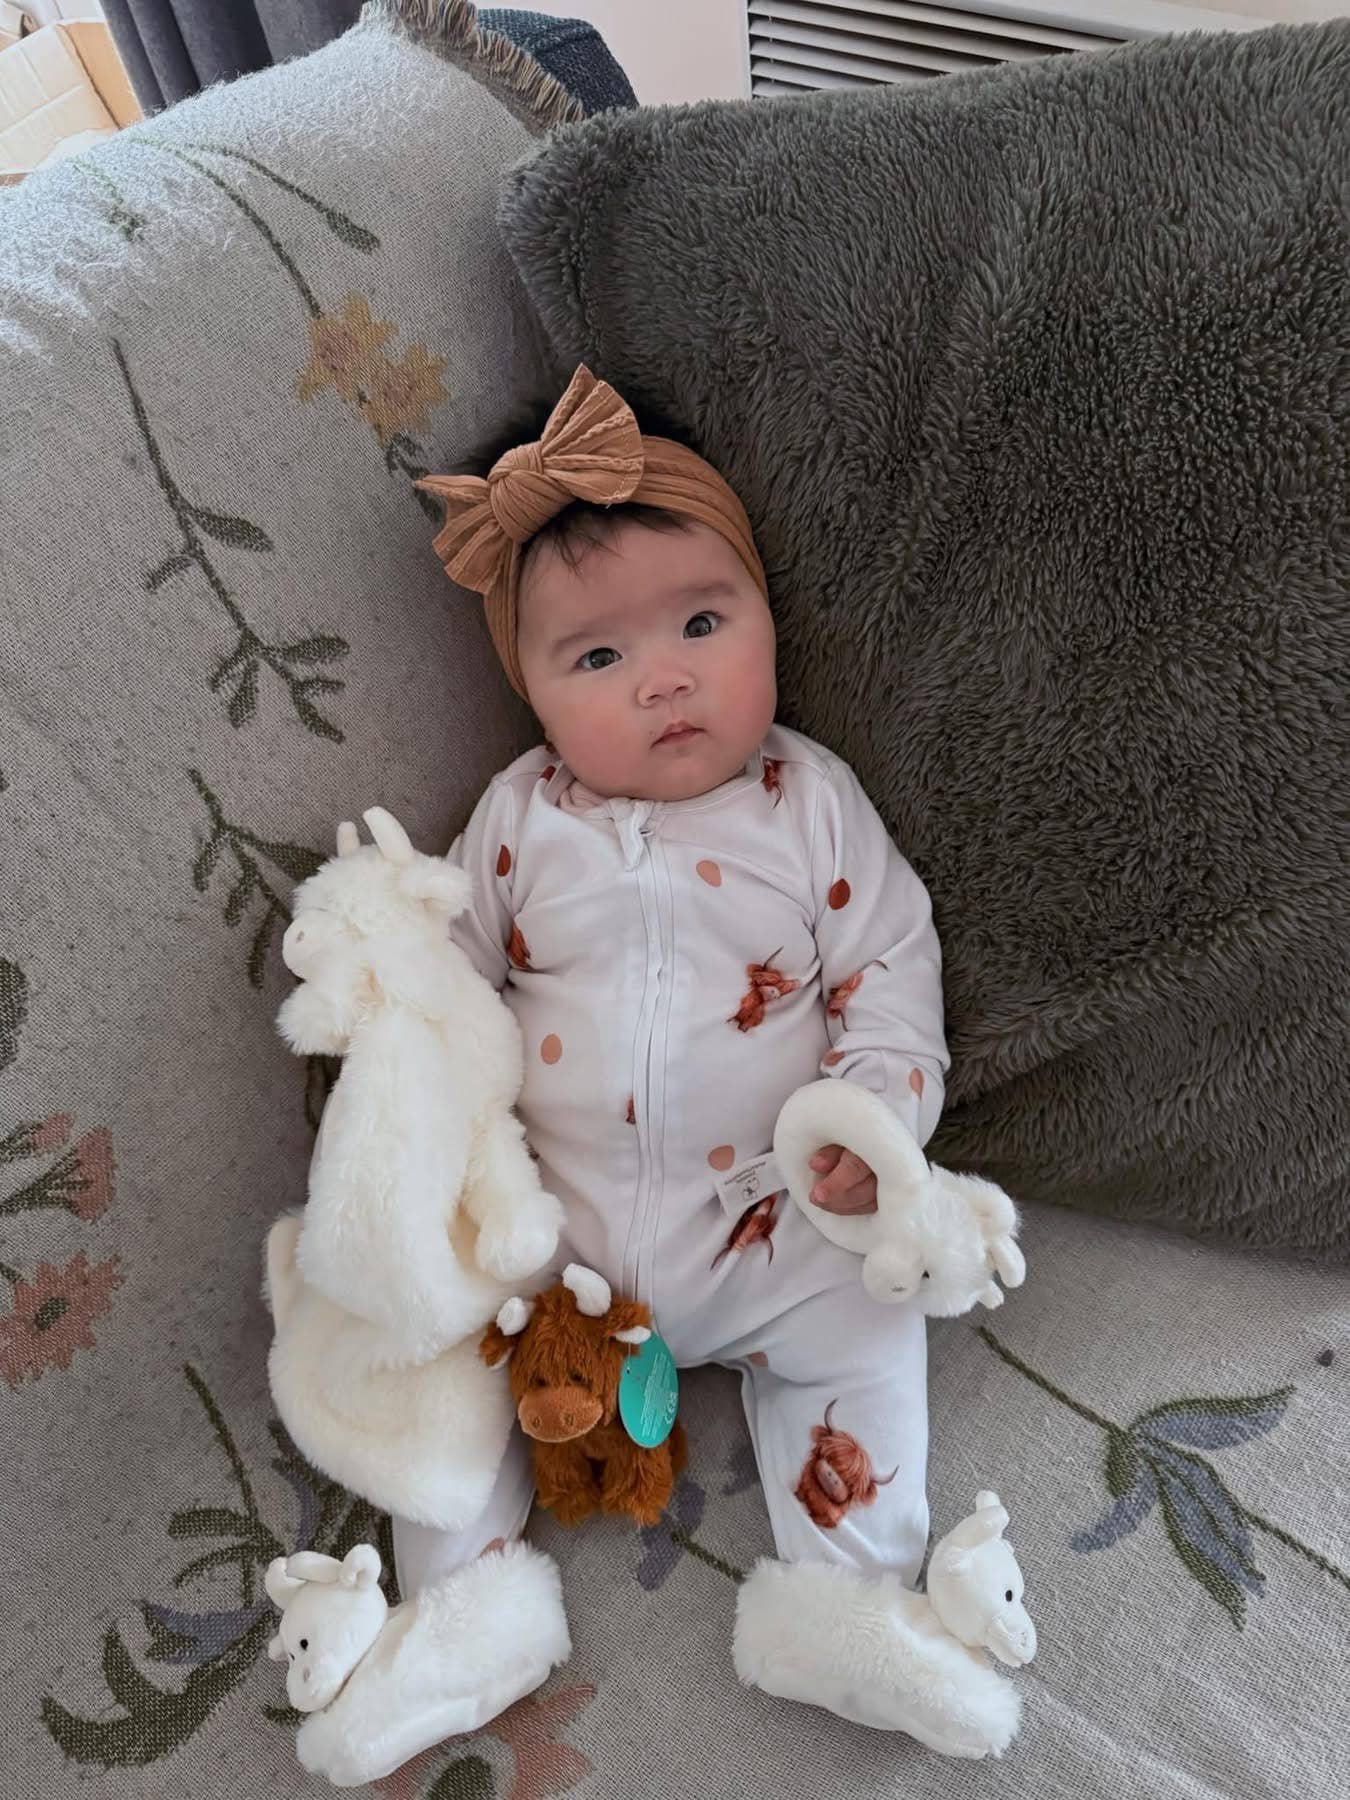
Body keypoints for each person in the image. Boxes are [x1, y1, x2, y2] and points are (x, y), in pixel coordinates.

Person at [404, 365, 958, 1740]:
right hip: (555, 1243)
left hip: (772, 1218)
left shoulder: (805, 803)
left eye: (703, 623)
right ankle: (461, 1614)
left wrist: (875, 1123)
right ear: (532, 696)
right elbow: (445, 988)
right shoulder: (519, 820)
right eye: (595, 660)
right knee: (435, 1349)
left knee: (866, 1326)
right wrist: (421, 1116)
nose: (663, 677)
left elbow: (889, 969)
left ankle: (847, 1604)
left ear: (767, 618)